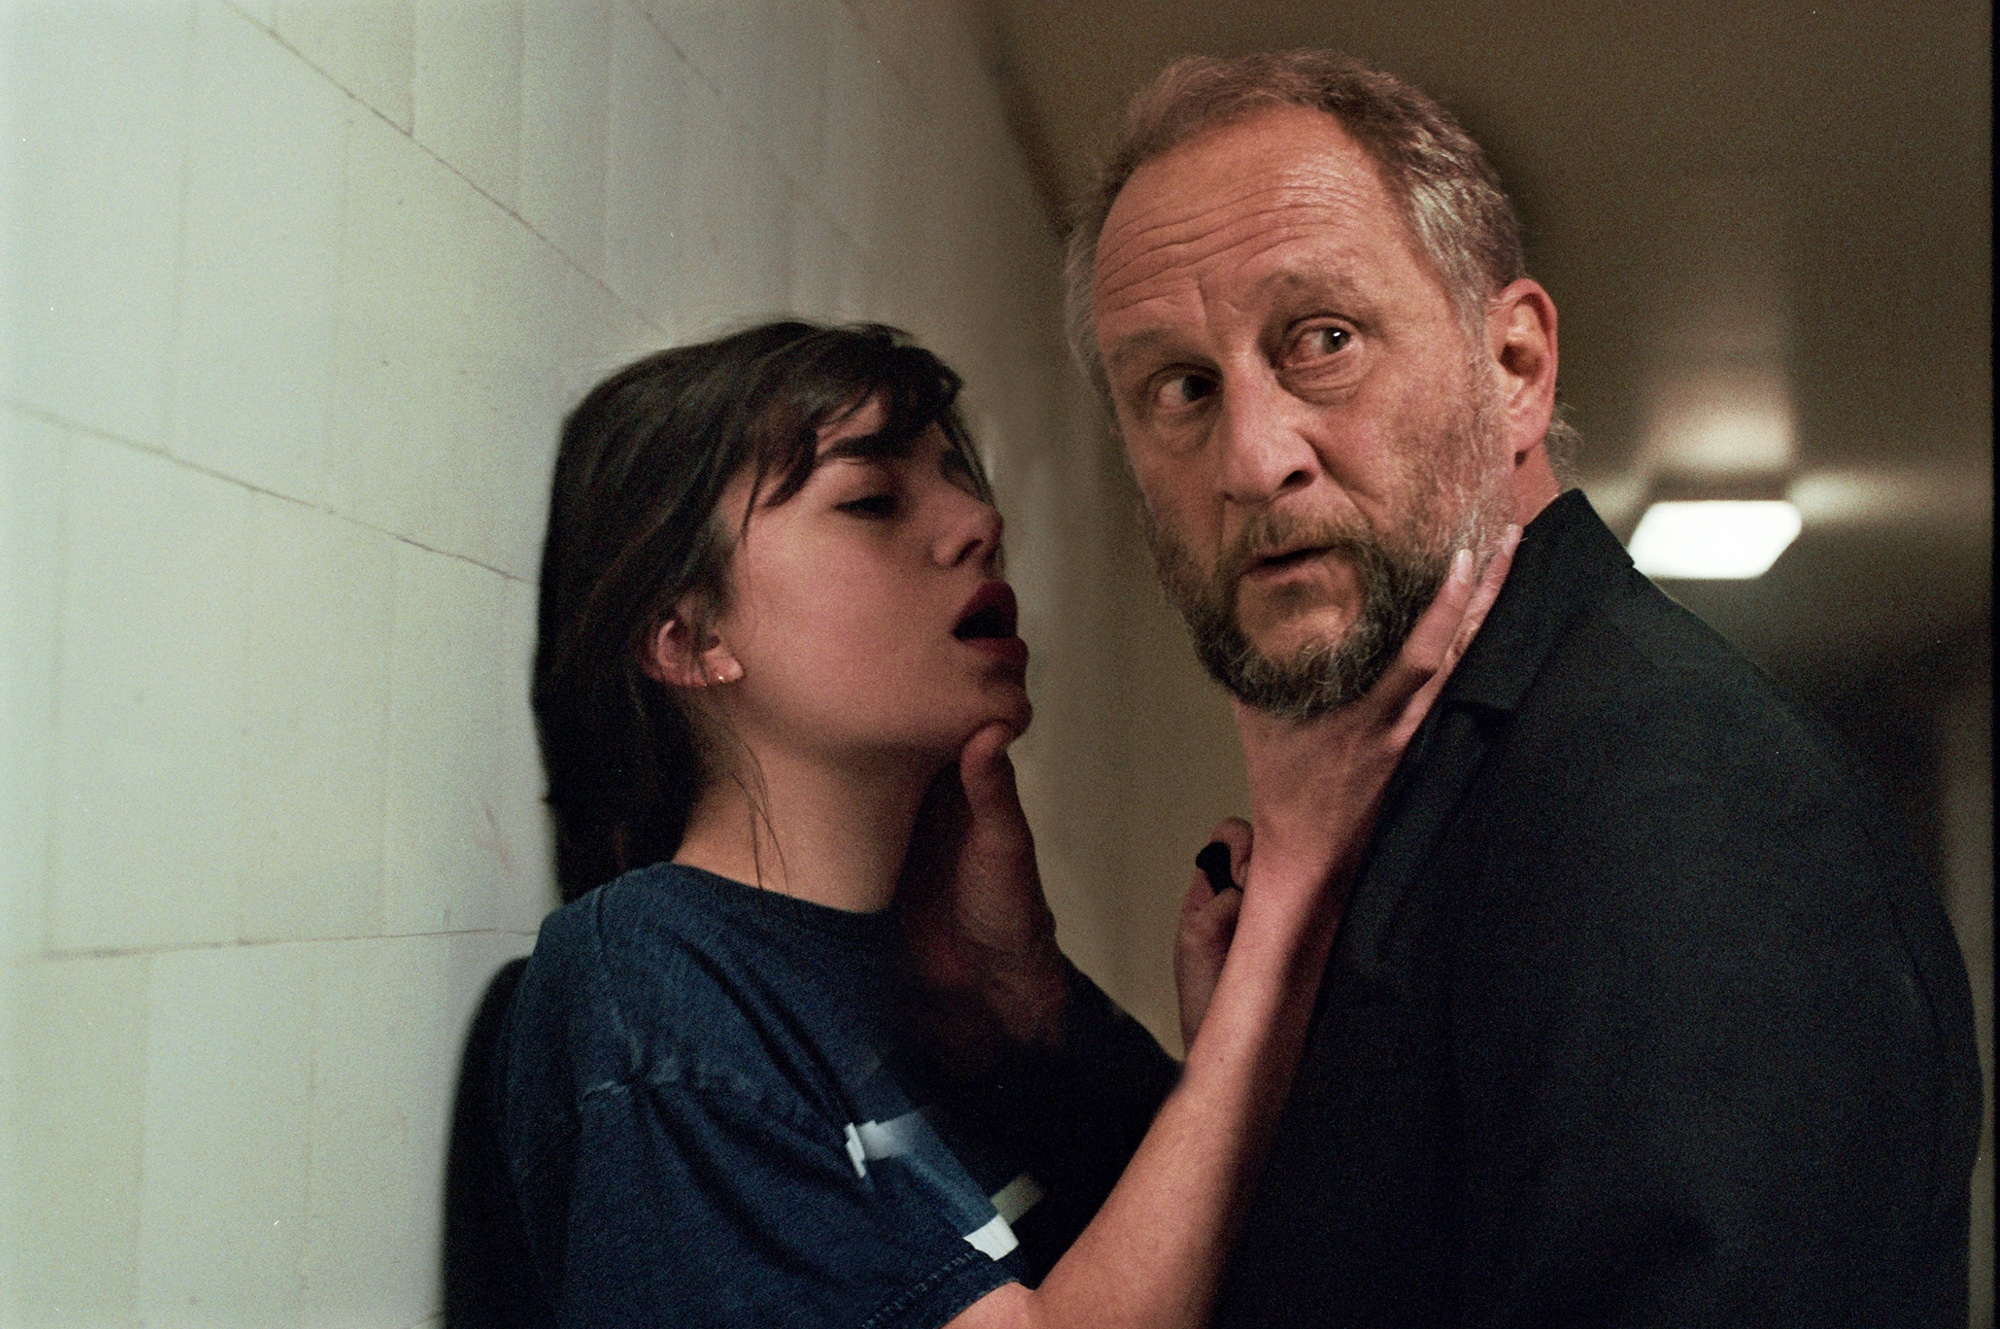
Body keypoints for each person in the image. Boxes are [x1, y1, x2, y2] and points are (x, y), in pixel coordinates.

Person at [1062, 49, 1984, 1327]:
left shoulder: (1670, 797)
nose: (1251, 459)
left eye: (1321, 341)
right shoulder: (1442, 796)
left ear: (1512, 366)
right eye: (1179, 388)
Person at [497, 320, 1511, 1328]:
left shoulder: (952, 983)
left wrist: (1042, 1012)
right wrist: (1293, 888)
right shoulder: (652, 981)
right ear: (688, 638)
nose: (978, 521)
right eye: (872, 500)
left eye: (957, 477)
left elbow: (1247, 1277)